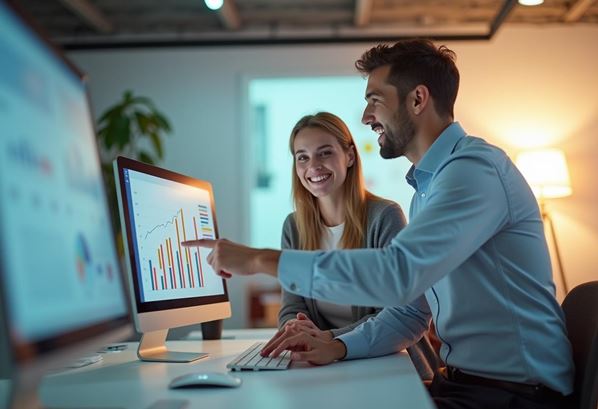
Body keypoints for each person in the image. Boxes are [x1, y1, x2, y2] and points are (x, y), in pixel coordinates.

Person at [184, 39, 574, 409]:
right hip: (465, 383)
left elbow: (397, 274)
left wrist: (257, 261)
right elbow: (411, 309)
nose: (367, 116)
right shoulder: (429, 186)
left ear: (418, 99)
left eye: (375, 100)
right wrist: (338, 347)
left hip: (515, 396)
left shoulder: (473, 171)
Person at [269, 111, 437, 380]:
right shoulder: (294, 226)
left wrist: (327, 339)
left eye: (324, 153)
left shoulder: (384, 216)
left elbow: (396, 312)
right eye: (302, 157)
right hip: (328, 365)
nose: (313, 166)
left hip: (389, 364)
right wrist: (294, 329)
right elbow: (292, 305)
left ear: (349, 156)